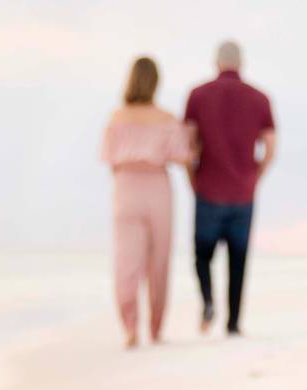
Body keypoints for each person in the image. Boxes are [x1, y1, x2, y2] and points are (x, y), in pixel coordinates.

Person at [185, 41, 277, 336]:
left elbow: (188, 146)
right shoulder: (260, 98)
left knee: (202, 256)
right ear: (242, 63)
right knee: (238, 261)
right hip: (243, 192)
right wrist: (255, 176)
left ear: (216, 63)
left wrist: (193, 180)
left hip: (208, 189)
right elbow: (271, 147)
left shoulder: (197, 95)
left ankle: (209, 302)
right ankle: (234, 323)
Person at [101, 57, 192, 349]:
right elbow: (182, 156)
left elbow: (110, 159)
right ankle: (155, 329)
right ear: (156, 82)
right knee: (159, 260)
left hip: (125, 187)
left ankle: (130, 328)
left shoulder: (116, 118)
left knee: (126, 262)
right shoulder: (166, 118)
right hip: (157, 187)